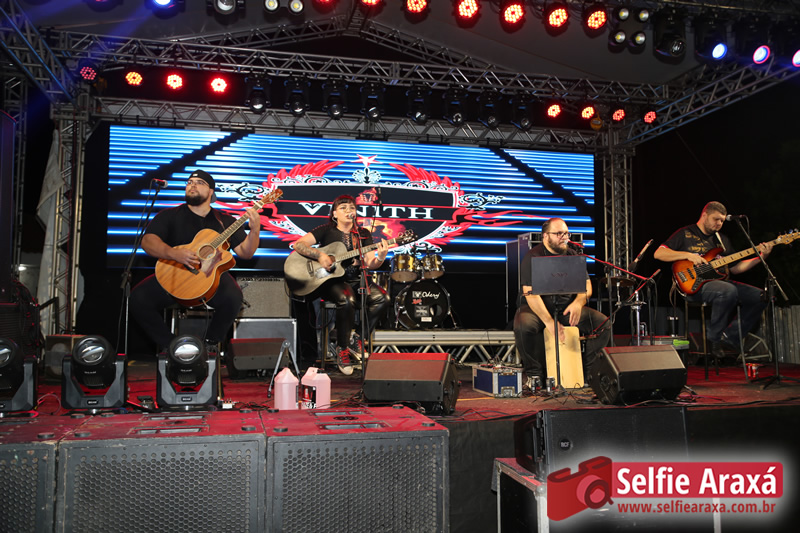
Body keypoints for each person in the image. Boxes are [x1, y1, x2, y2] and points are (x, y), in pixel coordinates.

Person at [129, 169, 262, 354]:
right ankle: (172, 346)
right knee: (138, 299)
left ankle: (210, 344)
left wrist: (255, 231)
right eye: (190, 182)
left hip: (210, 279)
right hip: (175, 276)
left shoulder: (225, 221)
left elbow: (245, 253)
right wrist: (173, 253)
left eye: (200, 183)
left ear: (211, 191)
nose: (192, 185)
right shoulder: (169, 215)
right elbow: (148, 241)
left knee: (233, 297)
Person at [654, 201, 772, 359]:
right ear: (704, 215)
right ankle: (714, 339)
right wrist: (687, 255)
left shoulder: (722, 240)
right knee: (727, 290)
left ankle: (730, 337)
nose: (719, 223)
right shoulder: (685, 233)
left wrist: (761, 257)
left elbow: (735, 268)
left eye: (722, 221)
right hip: (693, 286)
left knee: (762, 296)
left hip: (720, 284)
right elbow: (659, 253)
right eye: (716, 219)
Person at [292, 195, 389, 375]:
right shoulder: (325, 230)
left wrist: (381, 257)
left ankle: (357, 338)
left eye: (351, 208)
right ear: (334, 214)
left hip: (356, 279)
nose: (348, 211)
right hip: (331, 281)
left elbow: (370, 262)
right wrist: (320, 255)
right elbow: (298, 245)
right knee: (346, 298)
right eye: (343, 208)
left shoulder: (363, 234)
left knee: (382, 298)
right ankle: (342, 348)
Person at [513, 217, 611, 390]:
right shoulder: (532, 256)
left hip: (566, 308)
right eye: (559, 233)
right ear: (545, 236)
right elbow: (530, 294)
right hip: (536, 309)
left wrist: (578, 303)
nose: (564, 237)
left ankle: (590, 374)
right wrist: (549, 322)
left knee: (603, 324)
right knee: (523, 325)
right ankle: (535, 375)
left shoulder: (573, 255)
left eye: (566, 233)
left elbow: (587, 286)